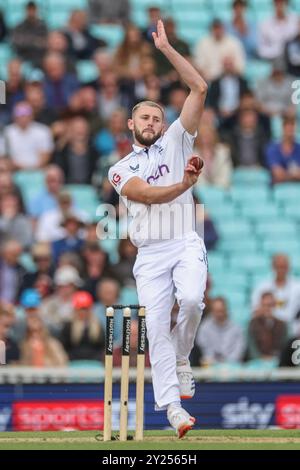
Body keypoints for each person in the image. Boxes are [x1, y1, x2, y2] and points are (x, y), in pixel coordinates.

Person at [108, 20, 208, 438]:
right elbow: (145, 196)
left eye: (156, 117)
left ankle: (184, 359)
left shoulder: (176, 139)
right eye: (143, 117)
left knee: (191, 302)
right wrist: (184, 184)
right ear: (131, 125)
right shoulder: (120, 169)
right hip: (150, 254)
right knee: (155, 333)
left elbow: (199, 87)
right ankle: (172, 410)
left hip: (185, 239)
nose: (151, 122)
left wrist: (165, 48)